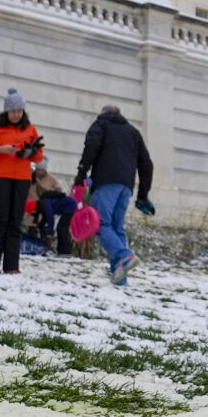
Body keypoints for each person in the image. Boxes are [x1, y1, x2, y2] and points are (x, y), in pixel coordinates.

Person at [73, 104, 155, 286]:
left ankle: (125, 256)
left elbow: (91, 146)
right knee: (116, 228)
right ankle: (119, 276)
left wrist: (81, 173)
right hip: (126, 186)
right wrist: (142, 195)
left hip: (105, 182)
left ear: (102, 114)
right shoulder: (133, 132)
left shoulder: (101, 125)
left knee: (101, 224)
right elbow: (146, 164)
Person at [0, 87, 44, 274]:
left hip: (22, 178)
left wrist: (30, 153)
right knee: (0, 219)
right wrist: (0, 150)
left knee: (15, 221)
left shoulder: (30, 129)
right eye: (13, 111)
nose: (16, 114)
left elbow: (39, 157)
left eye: (19, 111)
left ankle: (12, 266)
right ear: (7, 111)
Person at [29, 166, 80, 256]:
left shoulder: (45, 204)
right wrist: (39, 226)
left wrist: (49, 234)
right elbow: (44, 219)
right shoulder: (42, 205)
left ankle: (65, 251)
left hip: (70, 206)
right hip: (67, 206)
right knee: (61, 227)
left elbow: (50, 219)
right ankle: (62, 251)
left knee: (62, 228)